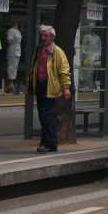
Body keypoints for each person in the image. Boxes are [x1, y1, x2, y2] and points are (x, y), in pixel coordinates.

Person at [26, 24, 71, 153]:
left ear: (52, 37)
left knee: (46, 115)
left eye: (45, 35)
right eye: (41, 35)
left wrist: (65, 88)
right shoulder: (39, 50)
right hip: (40, 85)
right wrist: (29, 84)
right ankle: (50, 143)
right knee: (43, 115)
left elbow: (64, 71)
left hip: (50, 86)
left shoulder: (57, 52)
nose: (43, 38)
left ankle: (48, 143)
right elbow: (33, 69)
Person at [6, 22, 22, 94]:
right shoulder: (11, 31)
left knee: (15, 67)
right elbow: (9, 39)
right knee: (11, 66)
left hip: (17, 50)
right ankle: (10, 82)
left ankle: (12, 83)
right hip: (12, 50)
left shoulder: (18, 31)